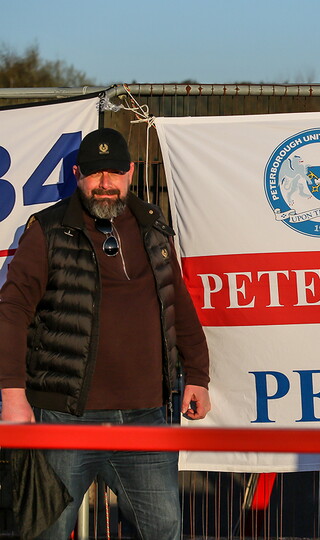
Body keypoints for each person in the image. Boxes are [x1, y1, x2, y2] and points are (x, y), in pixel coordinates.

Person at [0, 128, 211, 539]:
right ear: (78, 174)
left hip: (146, 416)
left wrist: (198, 376)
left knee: (162, 529)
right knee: (47, 531)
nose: (105, 184)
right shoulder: (48, 230)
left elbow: (177, 302)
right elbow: (11, 311)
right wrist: (12, 398)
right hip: (63, 418)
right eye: (96, 174)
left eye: (114, 172)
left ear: (130, 172)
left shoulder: (153, 225)